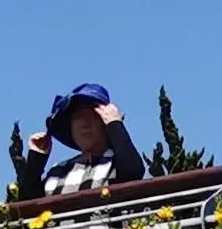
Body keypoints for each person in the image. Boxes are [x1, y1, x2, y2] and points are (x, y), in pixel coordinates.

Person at [10, 84, 148, 201]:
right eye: (77, 117)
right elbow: (28, 205)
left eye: (93, 115)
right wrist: (37, 159)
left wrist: (115, 124)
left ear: (104, 123)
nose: (84, 123)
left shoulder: (116, 163)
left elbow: (133, 172)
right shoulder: (58, 170)